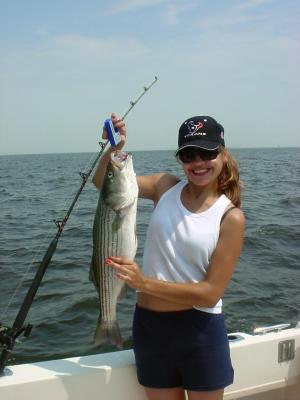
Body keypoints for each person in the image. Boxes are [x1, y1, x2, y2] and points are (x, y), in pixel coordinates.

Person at [93, 113, 245, 400]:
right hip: (150, 328)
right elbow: (105, 183)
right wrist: (113, 148)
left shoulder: (230, 217)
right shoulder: (165, 186)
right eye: (189, 155)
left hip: (200, 332)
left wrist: (143, 282)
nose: (198, 163)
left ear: (223, 155)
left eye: (207, 153)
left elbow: (210, 294)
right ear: (181, 160)